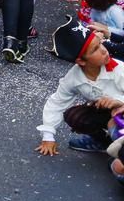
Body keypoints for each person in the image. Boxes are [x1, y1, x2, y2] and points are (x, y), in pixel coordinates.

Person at [36, 16, 124, 156]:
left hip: (121, 114)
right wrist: (48, 136)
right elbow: (57, 103)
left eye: (101, 43)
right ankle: (102, 142)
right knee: (75, 116)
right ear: (81, 61)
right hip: (109, 114)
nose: (103, 50)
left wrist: (119, 102)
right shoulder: (74, 77)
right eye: (95, 49)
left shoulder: (118, 69)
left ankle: (119, 150)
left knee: (117, 136)